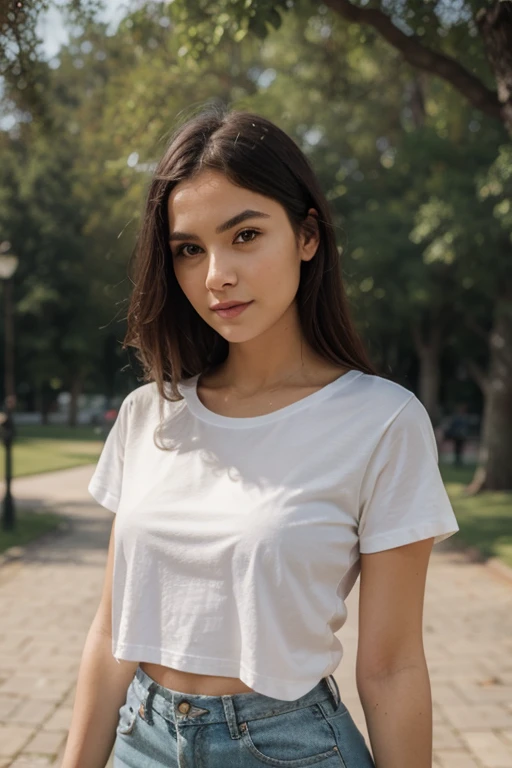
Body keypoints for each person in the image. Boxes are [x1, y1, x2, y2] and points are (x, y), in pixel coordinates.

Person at [60, 107, 459, 768]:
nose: (216, 273)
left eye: (244, 235)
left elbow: (391, 668)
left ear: (307, 235)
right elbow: (111, 634)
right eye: (189, 249)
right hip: (143, 740)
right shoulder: (147, 416)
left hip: (288, 747)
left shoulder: (382, 421)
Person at [443, 403, 470, 467]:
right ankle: (457, 461)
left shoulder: (463, 418)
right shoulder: (458, 418)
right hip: (457, 436)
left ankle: (459, 461)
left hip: (461, 437)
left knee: (460, 450)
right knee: (457, 449)